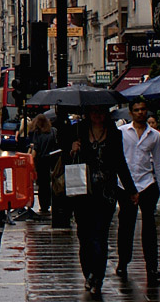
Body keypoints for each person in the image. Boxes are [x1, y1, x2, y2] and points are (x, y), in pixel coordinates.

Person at [69, 105, 138, 297]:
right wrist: (72, 149)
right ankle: (88, 273)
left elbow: (120, 163)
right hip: (82, 192)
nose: (97, 115)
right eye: (94, 112)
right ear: (88, 114)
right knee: (84, 236)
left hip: (106, 193)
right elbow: (65, 157)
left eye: (101, 112)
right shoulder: (79, 131)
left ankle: (97, 276)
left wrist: (131, 190)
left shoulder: (115, 134)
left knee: (100, 236)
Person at [115, 99, 160, 283]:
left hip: (147, 183)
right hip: (126, 185)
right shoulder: (122, 133)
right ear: (131, 113)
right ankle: (123, 262)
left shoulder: (153, 135)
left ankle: (152, 267)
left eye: (143, 109)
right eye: (137, 110)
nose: (140, 113)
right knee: (126, 226)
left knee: (149, 228)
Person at [28, 113, 58, 213]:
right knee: (53, 183)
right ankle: (53, 203)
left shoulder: (37, 133)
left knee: (42, 185)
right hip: (53, 160)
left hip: (41, 162)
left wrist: (30, 159)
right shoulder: (53, 131)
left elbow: (35, 150)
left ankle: (44, 205)